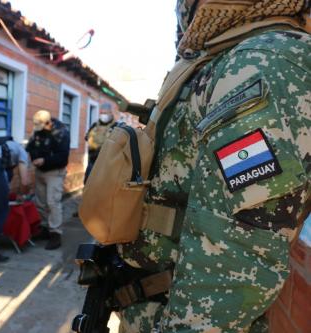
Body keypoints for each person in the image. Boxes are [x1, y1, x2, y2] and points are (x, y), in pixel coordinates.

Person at [117, 1, 310, 332]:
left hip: (179, 316)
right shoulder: (227, 57)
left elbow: (233, 260)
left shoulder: (267, 59)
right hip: (150, 302)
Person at [26, 110, 70, 250]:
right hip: (40, 171)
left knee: (53, 202)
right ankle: (45, 229)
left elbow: (63, 157)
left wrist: (44, 160)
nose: (38, 130)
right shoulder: (38, 129)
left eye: (41, 127)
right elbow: (30, 147)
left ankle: (56, 234)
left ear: (48, 122)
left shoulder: (61, 132)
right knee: (40, 202)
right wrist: (34, 158)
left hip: (54, 172)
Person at [84, 102, 116, 183]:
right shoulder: (95, 125)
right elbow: (86, 137)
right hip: (92, 162)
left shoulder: (116, 126)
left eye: (105, 113)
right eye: (101, 113)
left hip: (107, 166)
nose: (103, 115)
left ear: (110, 113)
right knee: (88, 184)